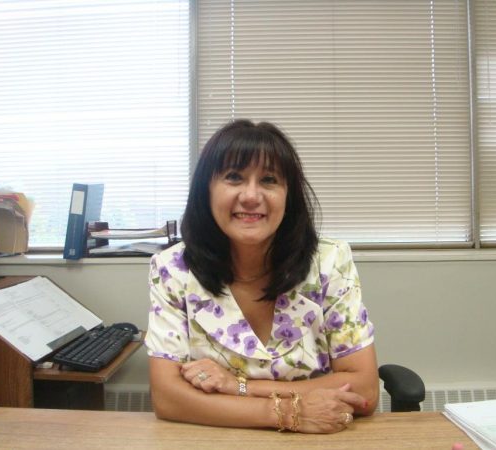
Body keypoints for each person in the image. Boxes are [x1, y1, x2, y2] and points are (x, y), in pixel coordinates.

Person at [145, 119, 379, 434]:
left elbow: (364, 390)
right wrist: (288, 413)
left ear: (288, 196)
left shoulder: (329, 261)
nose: (251, 196)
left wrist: (238, 387)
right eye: (234, 177)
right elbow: (168, 399)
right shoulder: (172, 269)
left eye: (269, 180)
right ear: (206, 191)